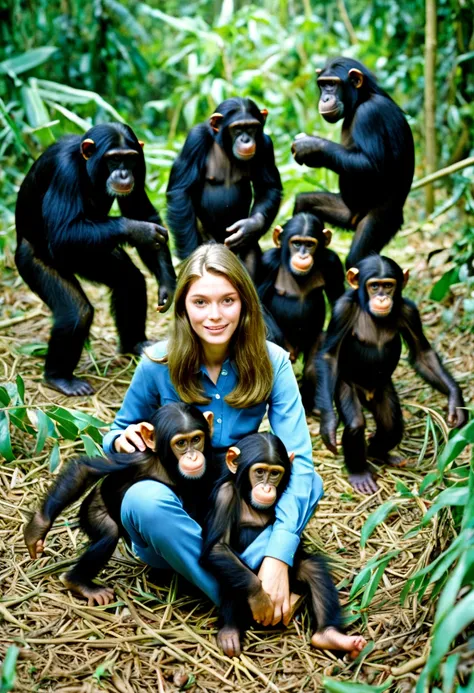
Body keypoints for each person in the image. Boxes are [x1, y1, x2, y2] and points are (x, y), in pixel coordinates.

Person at [103, 243, 322, 628]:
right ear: (184, 307)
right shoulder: (158, 362)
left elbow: (300, 462)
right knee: (143, 498)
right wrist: (123, 439)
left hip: (233, 514)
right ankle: (236, 599)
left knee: (310, 483)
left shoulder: (273, 362)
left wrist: (278, 558)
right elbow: (117, 432)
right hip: (176, 519)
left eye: (228, 301)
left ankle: (258, 568)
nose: (215, 315)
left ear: (246, 303)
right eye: (200, 302)